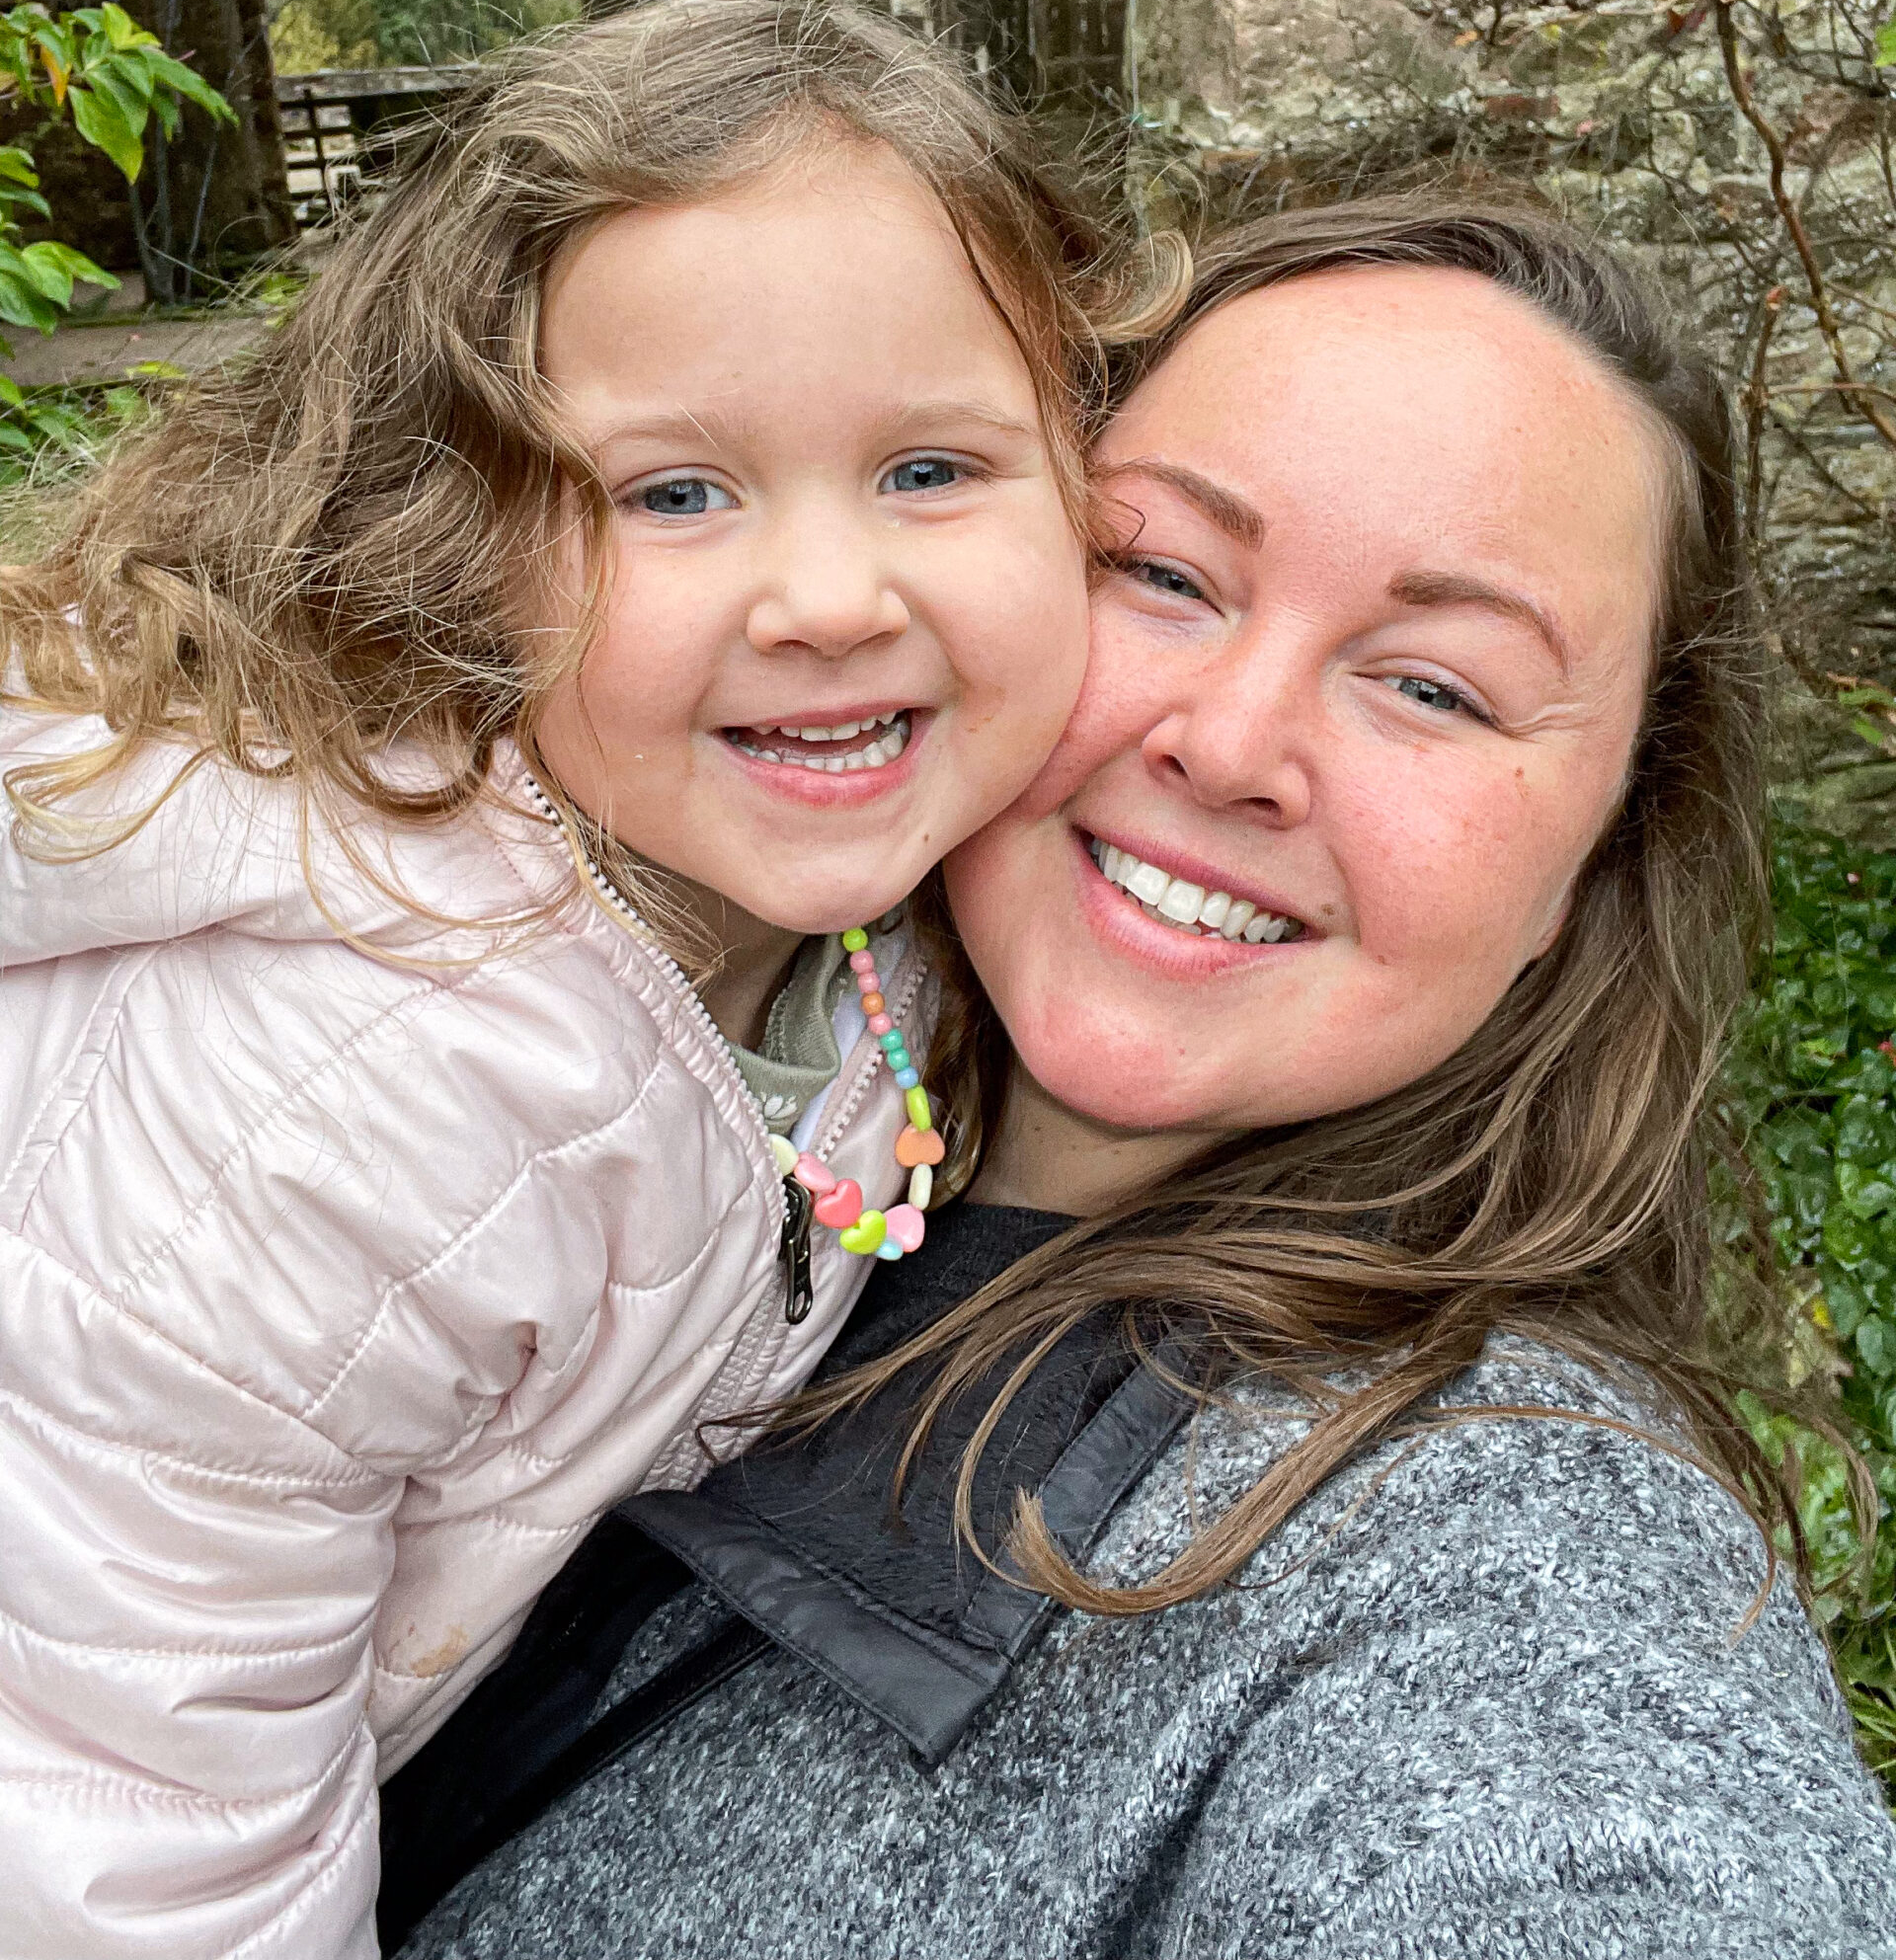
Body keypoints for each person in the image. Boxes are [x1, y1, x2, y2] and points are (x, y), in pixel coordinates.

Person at [392, 198, 1896, 1960]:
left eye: (1432, 685)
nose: (1232, 744)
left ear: (1599, 858)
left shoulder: (1516, 1570)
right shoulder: (550, 1055)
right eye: (1163, 573)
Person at [0, 0, 1182, 1959]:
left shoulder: (842, 902)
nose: (826, 598)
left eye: (931, 469)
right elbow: (119, 1813)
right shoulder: (359, 1095)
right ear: (454, 535)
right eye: (673, 493)